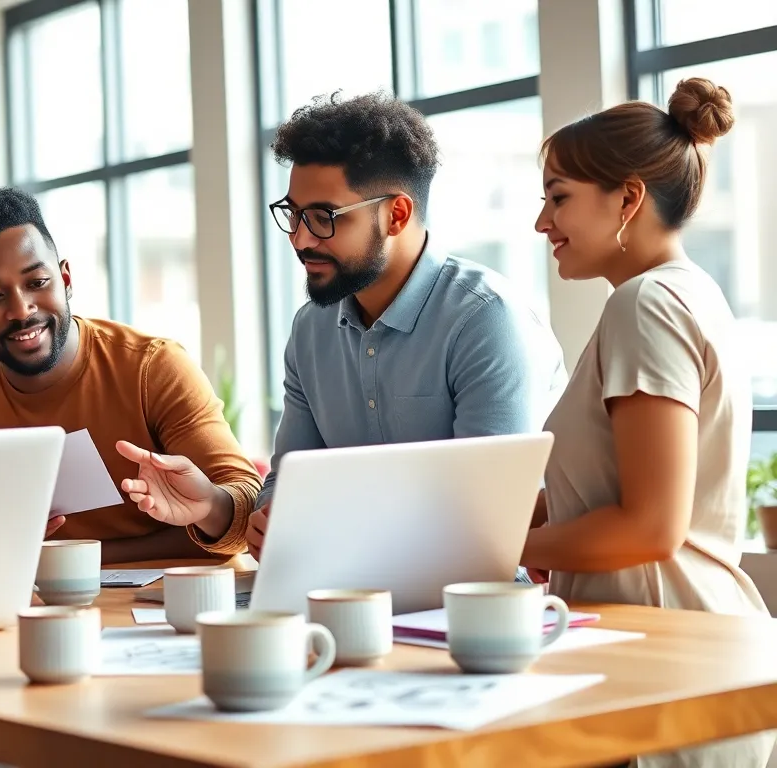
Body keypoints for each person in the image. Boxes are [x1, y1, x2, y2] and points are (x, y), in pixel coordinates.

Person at [148, 92, 567, 561]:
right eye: (294, 214)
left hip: (471, 597)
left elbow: (484, 514)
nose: (301, 238)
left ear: (397, 215)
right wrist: (271, 518)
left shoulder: (486, 320)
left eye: (324, 218)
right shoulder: (311, 330)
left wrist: (329, 528)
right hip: (343, 585)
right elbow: (290, 477)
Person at [523, 78, 773, 767]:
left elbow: (649, 527)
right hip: (679, 662)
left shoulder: (647, 303)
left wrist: (501, 545)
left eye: (558, 197)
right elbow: (611, 498)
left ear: (628, 198)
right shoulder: (688, 294)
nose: (542, 223)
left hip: (670, 672)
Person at [0, 186, 262, 566]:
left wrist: (209, 505)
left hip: (170, 612)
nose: (21, 310)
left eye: (37, 283)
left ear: (66, 280)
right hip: (34, 614)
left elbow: (250, 509)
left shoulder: (152, 368)